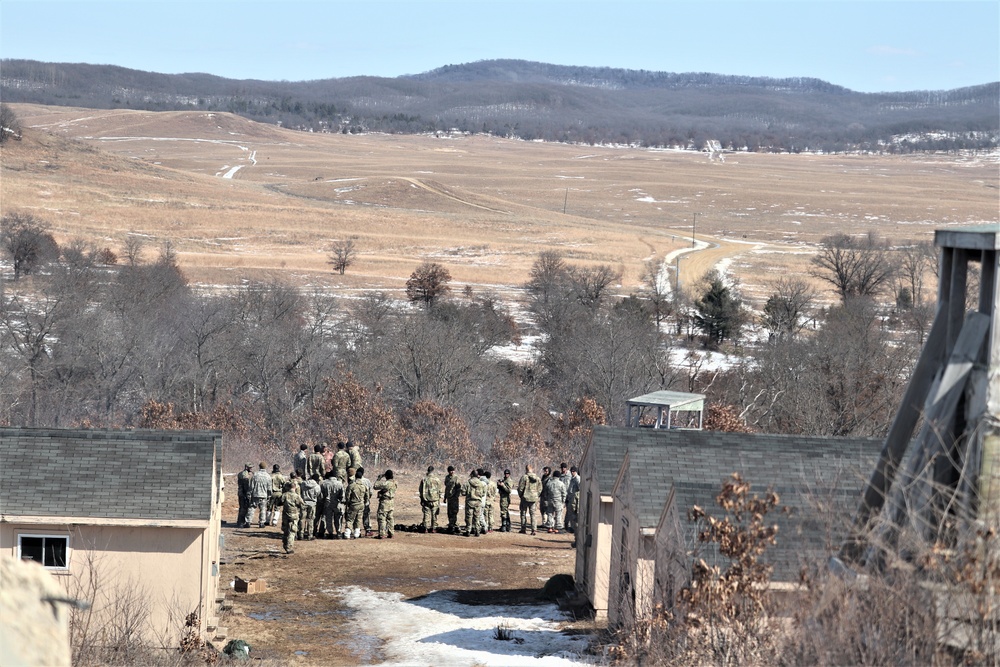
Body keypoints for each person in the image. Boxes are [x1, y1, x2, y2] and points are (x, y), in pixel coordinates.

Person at [343, 469, 369, 539]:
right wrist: (365, 502)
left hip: (354, 504)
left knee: (350, 519)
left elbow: (347, 496)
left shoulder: (352, 485)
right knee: (358, 519)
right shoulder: (364, 486)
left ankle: (347, 533)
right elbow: (367, 496)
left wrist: (348, 503)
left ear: (355, 477)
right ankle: (357, 533)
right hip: (361, 504)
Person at [280, 481, 304, 554]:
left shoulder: (284, 495)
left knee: (285, 531)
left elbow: (279, 502)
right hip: (293, 516)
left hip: (285, 515)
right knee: (292, 532)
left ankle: (285, 544)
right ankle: (289, 547)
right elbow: (302, 505)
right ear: (295, 487)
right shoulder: (296, 496)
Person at [518, 465, 543, 535]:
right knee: (533, 514)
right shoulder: (537, 478)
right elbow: (540, 488)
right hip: (534, 499)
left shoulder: (524, 477)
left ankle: (523, 528)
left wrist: (521, 495)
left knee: (523, 513)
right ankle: (534, 529)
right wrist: (536, 495)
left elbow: (520, 488)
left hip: (525, 498)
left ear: (526, 470)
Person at [318, 471, 344, 539]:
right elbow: (342, 496)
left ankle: (330, 533)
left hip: (327, 503)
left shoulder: (324, 484)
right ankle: (338, 532)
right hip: (337, 503)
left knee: (328, 519)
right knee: (338, 519)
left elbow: (321, 496)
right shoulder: (340, 484)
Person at [462, 469, 487, 537]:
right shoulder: (481, 484)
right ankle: (477, 531)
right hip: (478, 502)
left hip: (469, 502)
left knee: (469, 516)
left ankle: (468, 530)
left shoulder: (468, 483)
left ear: (472, 475)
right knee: (477, 517)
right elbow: (483, 493)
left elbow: (463, 492)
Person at [373, 470, 397, 539]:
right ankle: (391, 533)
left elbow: (375, 486)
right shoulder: (395, 483)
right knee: (390, 518)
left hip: (384, 502)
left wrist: (379, 478)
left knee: (382, 518)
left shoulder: (386, 483)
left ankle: (382, 534)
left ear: (386, 476)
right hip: (391, 502)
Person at [419, 466, 443, 533]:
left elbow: (421, 490)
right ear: (433, 470)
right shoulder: (437, 479)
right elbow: (440, 490)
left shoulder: (424, 479)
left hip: (426, 499)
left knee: (426, 514)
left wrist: (421, 499)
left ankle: (425, 528)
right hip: (435, 500)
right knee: (434, 514)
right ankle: (433, 528)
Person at [249, 462, 272, 528]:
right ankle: (262, 522)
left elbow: (251, 486)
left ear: (259, 467)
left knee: (252, 508)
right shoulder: (268, 476)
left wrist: (249, 493)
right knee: (263, 509)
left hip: (255, 494)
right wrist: (269, 495)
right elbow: (269, 488)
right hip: (264, 495)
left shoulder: (255, 475)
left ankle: (248, 521)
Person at [299, 473, 321, 541]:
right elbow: (317, 494)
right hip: (312, 504)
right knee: (310, 519)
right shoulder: (317, 486)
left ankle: (300, 534)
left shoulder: (303, 484)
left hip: (303, 502)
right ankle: (309, 535)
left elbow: (300, 491)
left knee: (302, 519)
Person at [443, 466, 462, 534]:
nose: (452, 472)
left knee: (454, 512)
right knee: (449, 512)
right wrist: (445, 497)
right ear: (448, 471)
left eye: (453, 470)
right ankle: (452, 525)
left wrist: (456, 496)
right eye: (451, 471)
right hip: (449, 497)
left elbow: (459, 488)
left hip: (454, 497)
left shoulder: (456, 478)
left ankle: (453, 525)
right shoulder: (447, 477)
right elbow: (447, 488)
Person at [236, 462, 253, 528]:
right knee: (244, 508)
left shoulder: (242, 473)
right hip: (243, 493)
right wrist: (247, 494)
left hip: (241, 493)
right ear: (246, 467)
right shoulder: (245, 475)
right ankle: (241, 522)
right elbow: (245, 486)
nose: (251, 468)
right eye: (250, 467)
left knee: (242, 508)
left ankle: (240, 521)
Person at [358, 466, 374, 536]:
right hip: (365, 502)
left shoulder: (353, 481)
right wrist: (367, 498)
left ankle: (356, 530)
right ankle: (367, 530)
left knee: (357, 517)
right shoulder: (367, 481)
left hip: (356, 502)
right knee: (366, 516)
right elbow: (371, 492)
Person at [565, 466, 581, 533]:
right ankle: (571, 527)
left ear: (576, 472)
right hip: (570, 498)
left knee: (574, 515)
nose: (572, 472)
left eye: (573, 471)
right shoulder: (572, 479)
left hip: (575, 499)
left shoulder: (578, 479)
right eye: (571, 471)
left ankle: (575, 529)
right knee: (570, 513)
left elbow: (579, 490)